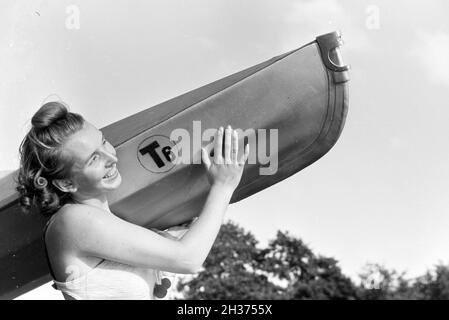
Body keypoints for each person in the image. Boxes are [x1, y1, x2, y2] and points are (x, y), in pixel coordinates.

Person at [16, 101, 249, 300]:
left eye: (104, 141)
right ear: (67, 184)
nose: (111, 157)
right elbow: (188, 259)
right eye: (94, 159)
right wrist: (223, 185)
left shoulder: (105, 224)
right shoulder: (72, 221)